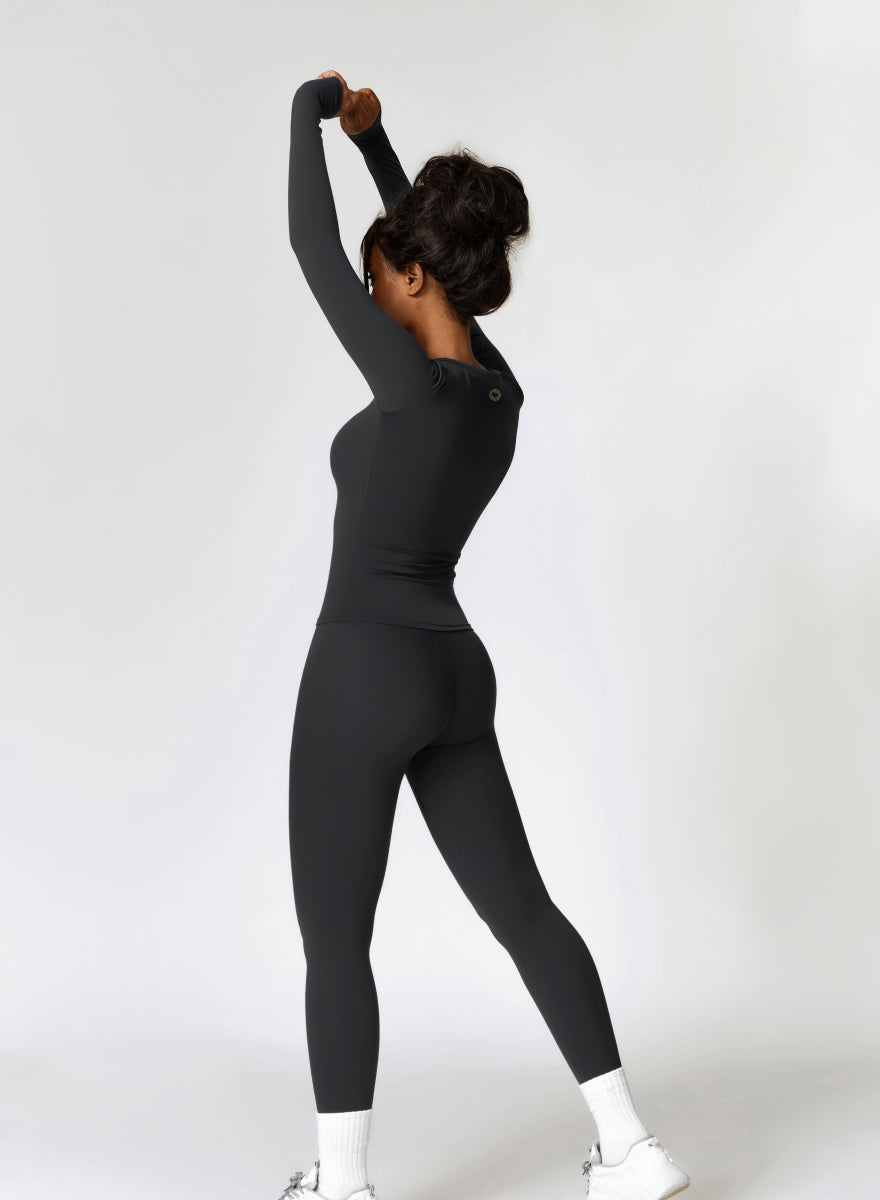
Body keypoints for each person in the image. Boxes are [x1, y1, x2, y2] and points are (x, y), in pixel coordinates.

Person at [280, 70, 691, 1200]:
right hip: (455, 672)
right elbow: (419, 249)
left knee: (335, 939)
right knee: (525, 914)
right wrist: (378, 150)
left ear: (412, 276)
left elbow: (309, 248)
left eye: (379, 282)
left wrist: (307, 109)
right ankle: (629, 1147)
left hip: (364, 666)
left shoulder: (407, 390)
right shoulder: (497, 396)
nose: (368, 299)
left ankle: (340, 1182)